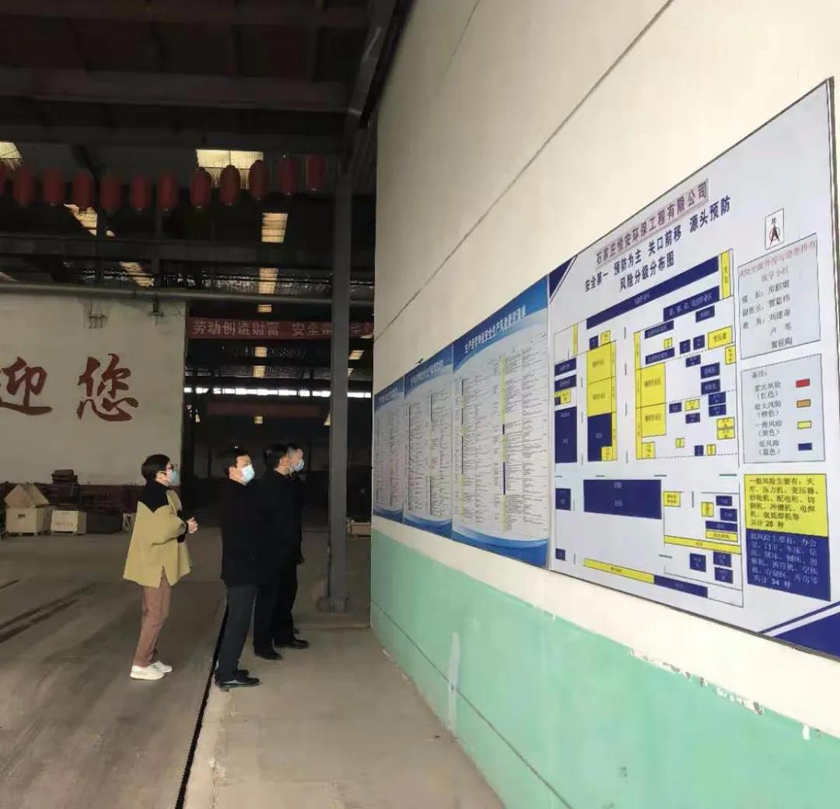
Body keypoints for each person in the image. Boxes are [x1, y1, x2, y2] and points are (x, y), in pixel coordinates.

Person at [123, 454, 198, 682]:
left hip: (155, 561)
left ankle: (150, 657)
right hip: (156, 564)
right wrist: (185, 526)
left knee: (152, 612)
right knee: (157, 614)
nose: (173, 470)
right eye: (169, 468)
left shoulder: (164, 493)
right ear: (159, 474)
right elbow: (164, 529)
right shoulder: (155, 496)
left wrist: (184, 522)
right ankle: (140, 663)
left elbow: (176, 515)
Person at [215, 446, 266, 690]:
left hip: (245, 566)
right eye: (245, 464)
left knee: (240, 619)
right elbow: (245, 534)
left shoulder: (241, 491)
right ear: (232, 469)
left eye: (250, 463)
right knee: (238, 621)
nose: (250, 468)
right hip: (241, 568)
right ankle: (226, 672)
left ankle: (229, 668)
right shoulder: (233, 496)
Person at [252, 443, 300, 660]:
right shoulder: (268, 486)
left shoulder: (286, 483)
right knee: (268, 598)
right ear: (282, 461)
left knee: (286, 594)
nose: (293, 461)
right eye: (291, 458)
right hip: (272, 552)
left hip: (287, 550)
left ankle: (284, 635)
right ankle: (262, 644)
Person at [269, 443, 310, 650]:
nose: (300, 462)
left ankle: (282, 628)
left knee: (287, 590)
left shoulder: (290, 482)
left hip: (288, 545)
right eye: (298, 458)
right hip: (280, 548)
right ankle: (281, 634)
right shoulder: (277, 485)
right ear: (286, 459)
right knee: (283, 591)